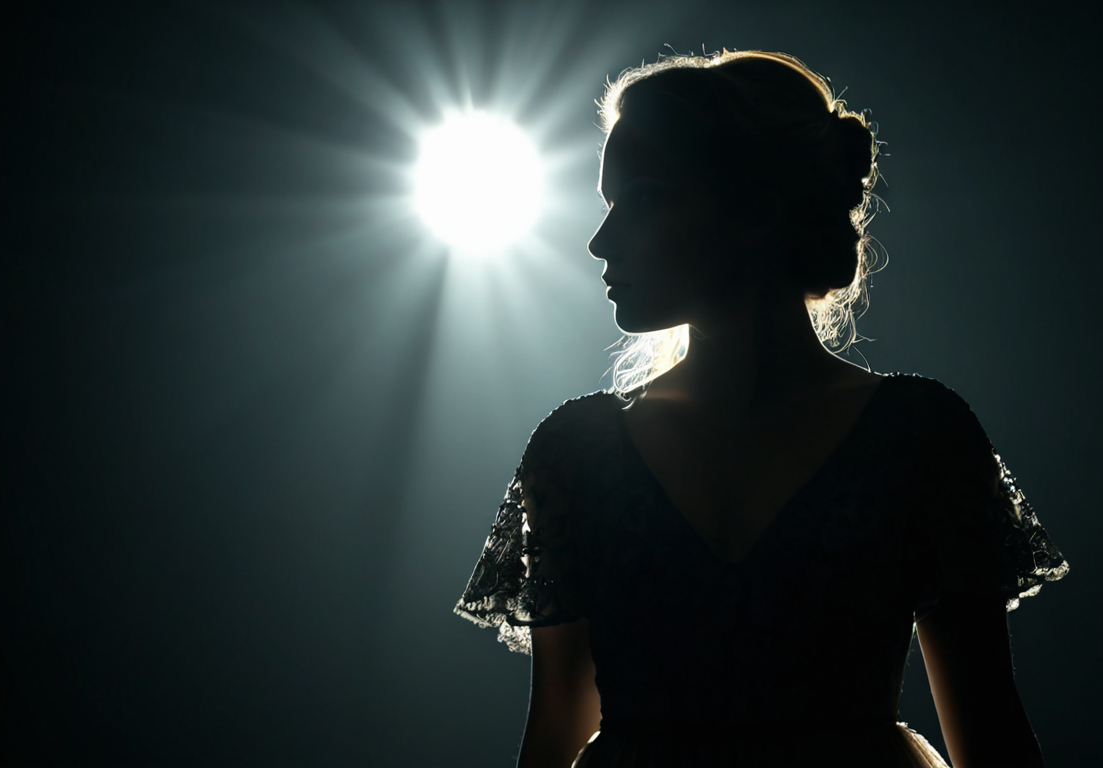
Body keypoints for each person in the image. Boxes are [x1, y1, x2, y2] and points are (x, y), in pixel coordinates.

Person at [454, 49, 1069, 768]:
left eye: (644, 199)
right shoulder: (572, 453)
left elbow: (993, 740)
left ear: (755, 210)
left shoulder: (921, 438)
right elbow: (551, 736)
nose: (600, 240)